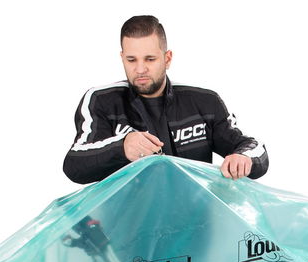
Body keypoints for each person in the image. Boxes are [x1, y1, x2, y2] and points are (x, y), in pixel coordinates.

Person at [63, 15, 269, 184]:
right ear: (122, 58)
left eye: (150, 59)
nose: (140, 69)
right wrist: (121, 147)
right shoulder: (102, 101)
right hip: (128, 222)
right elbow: (74, 165)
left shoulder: (204, 102)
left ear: (167, 58)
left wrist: (244, 159)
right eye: (131, 60)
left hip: (195, 219)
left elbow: (251, 147)